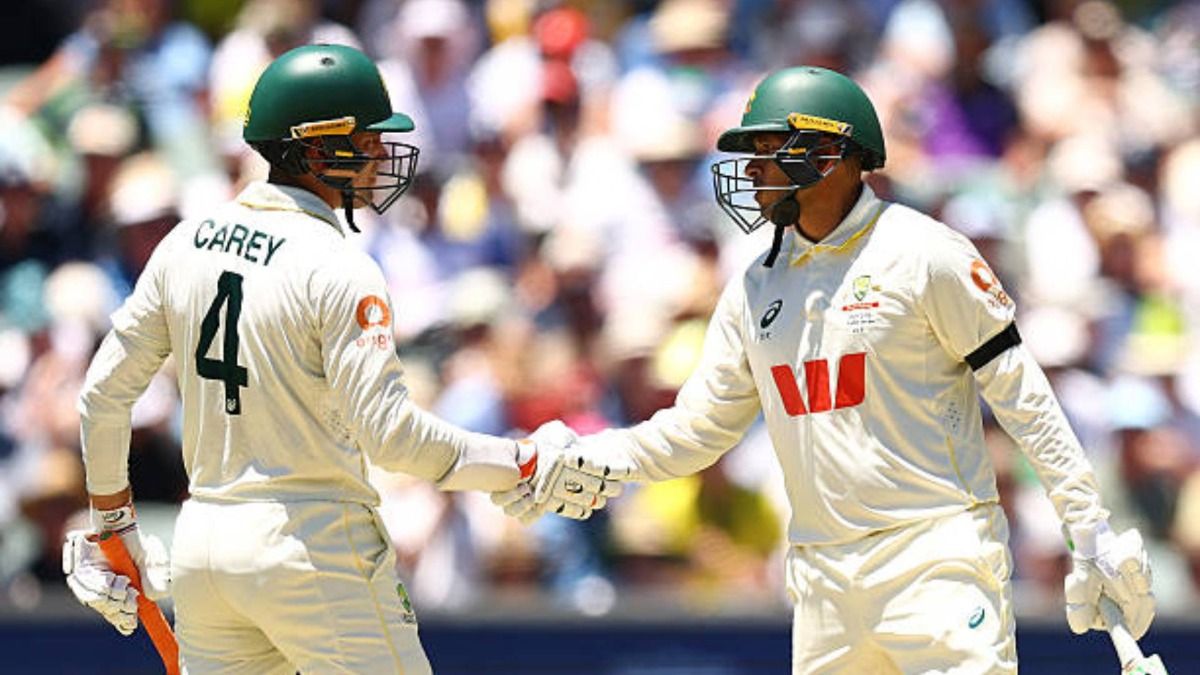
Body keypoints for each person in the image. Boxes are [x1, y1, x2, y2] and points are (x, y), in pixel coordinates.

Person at [498, 66, 1156, 673]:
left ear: (832, 154)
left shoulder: (923, 253)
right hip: (823, 580)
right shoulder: (753, 287)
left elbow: (1020, 395)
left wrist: (1088, 525)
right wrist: (592, 456)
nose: (752, 170)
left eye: (768, 149)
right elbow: (693, 431)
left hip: (935, 557)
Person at [61, 44, 610, 674]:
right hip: (312, 546)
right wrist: (521, 460)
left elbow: (101, 396)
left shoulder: (184, 243)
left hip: (205, 544)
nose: (381, 154)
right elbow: (393, 439)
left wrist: (114, 526)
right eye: (367, 139)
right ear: (316, 147)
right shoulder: (339, 265)